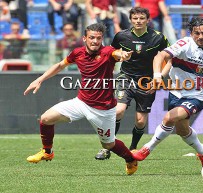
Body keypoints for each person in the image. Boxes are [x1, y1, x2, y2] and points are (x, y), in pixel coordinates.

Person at [24, 23, 138, 175]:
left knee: (109, 144)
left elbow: (117, 54)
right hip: (81, 102)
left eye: (98, 38)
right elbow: (59, 65)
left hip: (102, 109)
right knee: (45, 119)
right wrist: (40, 79)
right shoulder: (77, 53)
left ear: (102, 39)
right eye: (91, 38)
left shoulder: (108, 52)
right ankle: (47, 152)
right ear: (85, 38)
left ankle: (131, 159)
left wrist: (123, 55)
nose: (95, 41)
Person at [132, 17, 203, 166]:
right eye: (196, 33)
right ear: (191, 33)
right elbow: (160, 56)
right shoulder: (184, 44)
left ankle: (146, 149)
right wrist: (157, 76)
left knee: (169, 118)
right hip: (176, 92)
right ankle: (202, 152)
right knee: (182, 130)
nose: (200, 37)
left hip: (197, 95)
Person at [94, 7, 171, 160]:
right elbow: (110, 54)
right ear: (130, 20)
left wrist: (159, 78)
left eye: (142, 18)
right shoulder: (122, 36)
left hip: (147, 81)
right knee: (118, 111)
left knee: (141, 121)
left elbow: (169, 59)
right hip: (126, 77)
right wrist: (120, 55)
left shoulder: (158, 37)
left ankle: (133, 147)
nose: (138, 21)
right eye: (135, 18)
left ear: (148, 20)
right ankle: (107, 147)